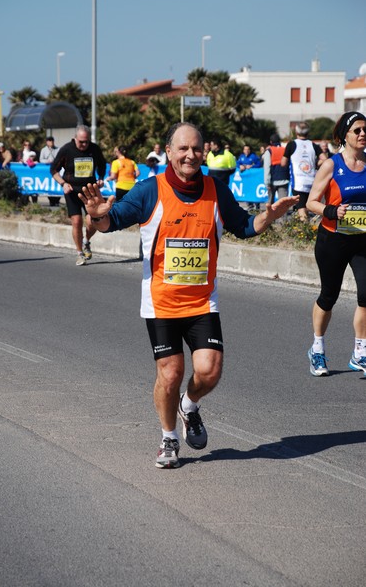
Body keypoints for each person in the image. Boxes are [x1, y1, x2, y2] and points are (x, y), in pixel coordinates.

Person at [78, 122, 298, 468]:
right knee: (170, 373)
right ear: (168, 152)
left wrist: (267, 217)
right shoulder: (149, 190)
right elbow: (112, 221)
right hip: (162, 302)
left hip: (201, 302)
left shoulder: (216, 189)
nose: (190, 155)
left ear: (204, 152)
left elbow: (243, 226)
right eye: (182, 148)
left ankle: (189, 405)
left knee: (209, 372)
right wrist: (97, 217)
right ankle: (168, 438)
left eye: (196, 149)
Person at [306, 111, 366, 377]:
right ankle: (317, 349)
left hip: (362, 239)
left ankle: (360, 353)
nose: (363, 135)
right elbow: (311, 202)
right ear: (345, 135)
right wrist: (331, 211)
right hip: (333, 240)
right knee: (329, 296)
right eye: (358, 131)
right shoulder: (332, 165)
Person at [50, 125, 107, 266]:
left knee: (93, 221)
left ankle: (86, 241)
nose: (84, 145)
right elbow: (53, 170)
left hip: (90, 190)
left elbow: (102, 165)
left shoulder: (94, 149)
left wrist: (100, 178)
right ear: (75, 138)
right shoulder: (66, 149)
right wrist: (63, 183)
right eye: (81, 141)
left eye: (86, 142)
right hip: (72, 191)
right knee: (76, 221)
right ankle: (80, 253)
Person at [281, 122, 325, 221]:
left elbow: (283, 163)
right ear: (308, 133)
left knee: (301, 208)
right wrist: (315, 163)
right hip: (312, 181)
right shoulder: (313, 145)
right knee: (309, 206)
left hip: (298, 182)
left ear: (296, 131)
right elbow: (324, 159)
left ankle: (306, 232)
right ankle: (312, 227)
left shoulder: (292, 144)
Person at [263, 133, 290, 208]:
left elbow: (267, 168)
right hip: (284, 179)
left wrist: (266, 183)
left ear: (271, 142)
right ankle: (283, 220)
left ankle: (269, 219)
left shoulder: (269, 151)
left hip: (272, 181)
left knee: (270, 204)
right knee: (283, 204)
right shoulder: (285, 150)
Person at [39, 136, 60, 206]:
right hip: (47, 171)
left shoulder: (57, 149)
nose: (51, 142)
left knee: (56, 184)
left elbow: (60, 158)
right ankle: (51, 200)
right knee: (48, 185)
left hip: (56, 170)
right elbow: (41, 159)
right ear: (47, 142)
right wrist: (47, 161)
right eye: (49, 141)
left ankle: (57, 200)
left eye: (52, 141)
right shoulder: (43, 150)